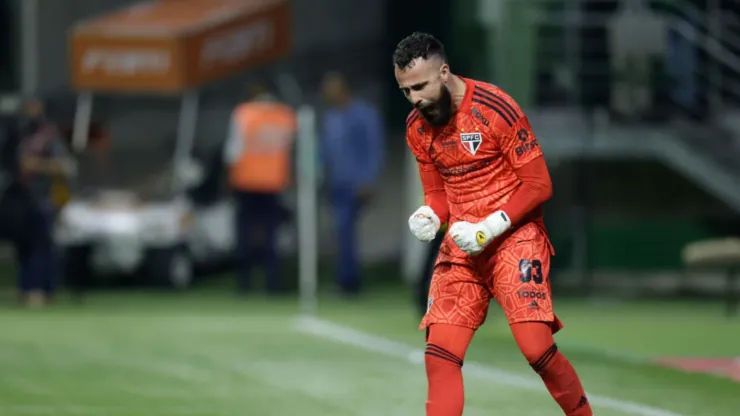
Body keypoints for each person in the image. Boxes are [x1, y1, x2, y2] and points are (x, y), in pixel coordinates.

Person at [395, 32, 592, 415]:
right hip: (463, 248)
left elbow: (539, 184)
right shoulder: (417, 128)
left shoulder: (495, 108)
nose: (415, 99)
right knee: (440, 355)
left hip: (515, 239)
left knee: (536, 348)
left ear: (445, 72)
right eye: (405, 91)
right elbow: (437, 194)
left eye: (420, 86)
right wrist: (429, 215)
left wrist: (488, 228)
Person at [224, 83, 297, 295]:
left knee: (244, 234)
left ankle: (244, 283)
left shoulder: (244, 114)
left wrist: (228, 178)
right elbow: (291, 149)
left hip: (246, 182)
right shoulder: (285, 115)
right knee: (272, 235)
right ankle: (273, 282)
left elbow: (233, 150)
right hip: (273, 183)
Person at [320, 72, 384, 295]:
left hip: (355, 183)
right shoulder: (330, 117)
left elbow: (373, 148)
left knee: (345, 230)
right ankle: (346, 279)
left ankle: (349, 282)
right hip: (335, 183)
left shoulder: (363, 115)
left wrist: (368, 179)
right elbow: (325, 151)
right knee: (341, 232)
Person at [16, 97, 75, 307]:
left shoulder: (48, 136)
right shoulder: (21, 134)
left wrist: (37, 165)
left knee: (42, 246)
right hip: (20, 199)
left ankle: (43, 290)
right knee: (25, 246)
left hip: (43, 198)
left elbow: (66, 165)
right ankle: (26, 290)